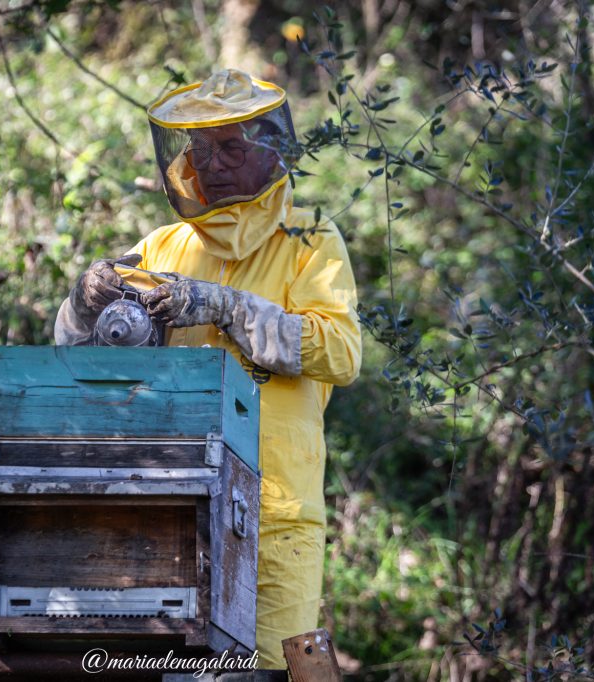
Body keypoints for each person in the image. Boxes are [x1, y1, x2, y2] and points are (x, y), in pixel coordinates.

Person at [54, 69, 362, 669]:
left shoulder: (310, 239)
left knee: (277, 667)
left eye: (231, 149)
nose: (212, 165)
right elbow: (79, 362)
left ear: (270, 150)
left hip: (273, 512)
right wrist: (83, 304)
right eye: (199, 151)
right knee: (171, 663)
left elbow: (341, 352)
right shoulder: (162, 246)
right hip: (166, 502)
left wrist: (229, 308)